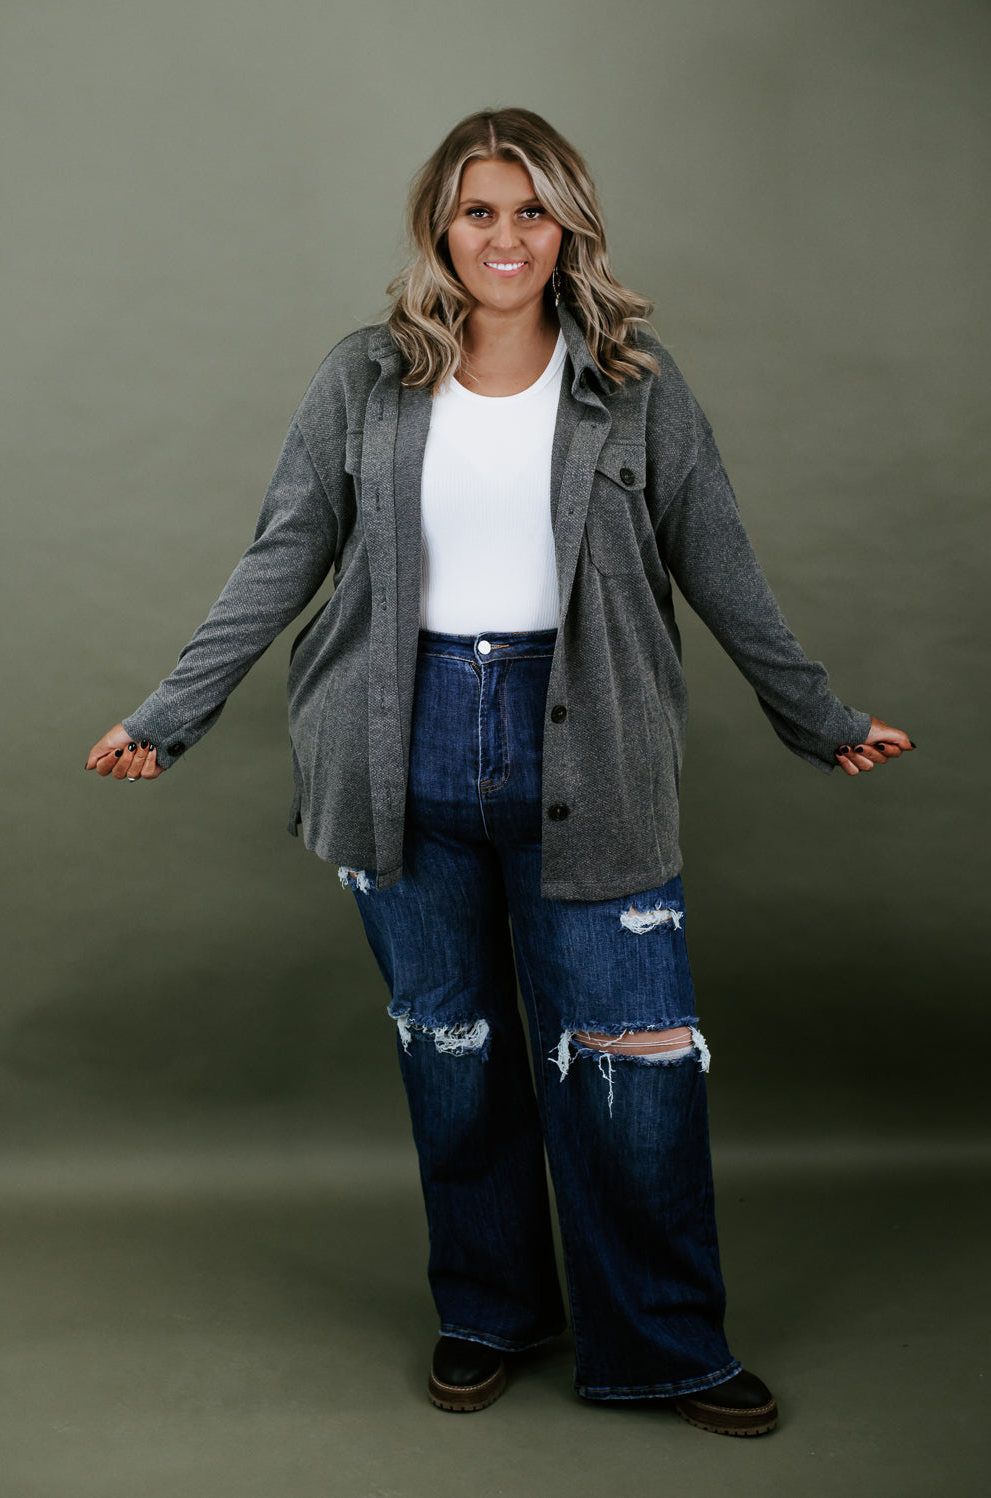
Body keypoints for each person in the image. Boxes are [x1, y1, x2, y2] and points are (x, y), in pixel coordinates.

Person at [86, 108, 914, 1437]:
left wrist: (816, 713)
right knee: (455, 1055)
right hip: (396, 746)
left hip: (592, 742)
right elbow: (282, 556)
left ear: (570, 228)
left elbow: (718, 558)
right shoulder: (365, 378)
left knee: (632, 1065)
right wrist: (168, 715)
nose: (507, 236)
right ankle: (487, 1309)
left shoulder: (636, 385)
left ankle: (664, 1344)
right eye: (480, 211)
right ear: (441, 227)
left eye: (533, 211)